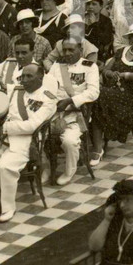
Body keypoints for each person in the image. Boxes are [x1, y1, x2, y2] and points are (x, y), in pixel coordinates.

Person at [0, 63, 58, 222]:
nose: (23, 80)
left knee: (4, 167)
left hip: (26, 141)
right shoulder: (15, 90)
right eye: (22, 76)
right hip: (0, 137)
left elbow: (32, 126)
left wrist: (4, 127)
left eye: (29, 76)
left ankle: (7, 208)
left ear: (40, 78)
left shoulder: (48, 98)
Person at [92, 22, 133, 165]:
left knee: (96, 97)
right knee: (95, 96)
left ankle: (96, 147)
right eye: (131, 36)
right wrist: (112, 73)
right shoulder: (122, 51)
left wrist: (125, 75)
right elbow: (105, 70)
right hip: (110, 90)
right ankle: (95, 145)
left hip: (129, 97)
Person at [45, 39, 100, 185]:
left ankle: (69, 171)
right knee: (37, 136)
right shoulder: (57, 65)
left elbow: (93, 92)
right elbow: (46, 88)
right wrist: (53, 102)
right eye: (64, 50)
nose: (67, 53)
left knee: (69, 141)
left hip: (77, 113)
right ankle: (47, 167)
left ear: (80, 50)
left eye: (71, 50)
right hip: (53, 111)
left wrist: (70, 101)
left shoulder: (89, 66)